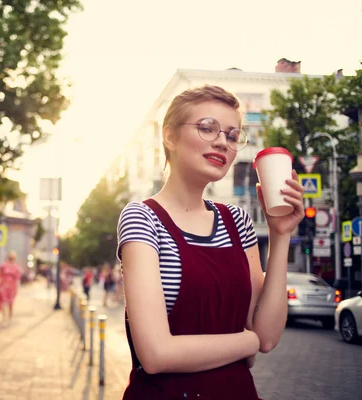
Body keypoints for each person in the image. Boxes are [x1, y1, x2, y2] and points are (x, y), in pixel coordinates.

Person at [117, 85, 304, 399]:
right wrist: (247, 342)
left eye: (232, 136)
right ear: (170, 136)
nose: (222, 141)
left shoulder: (237, 221)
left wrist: (280, 234)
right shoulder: (142, 218)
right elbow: (156, 354)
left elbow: (268, 336)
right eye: (207, 128)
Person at [0, 251, 22, 325]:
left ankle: (10, 317)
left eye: (13, 257)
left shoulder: (17, 267)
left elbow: (18, 279)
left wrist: (18, 288)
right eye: (11, 256)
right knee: (3, 303)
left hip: (12, 288)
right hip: (3, 286)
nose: (11, 258)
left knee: (10, 303)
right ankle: (4, 319)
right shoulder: (3, 266)